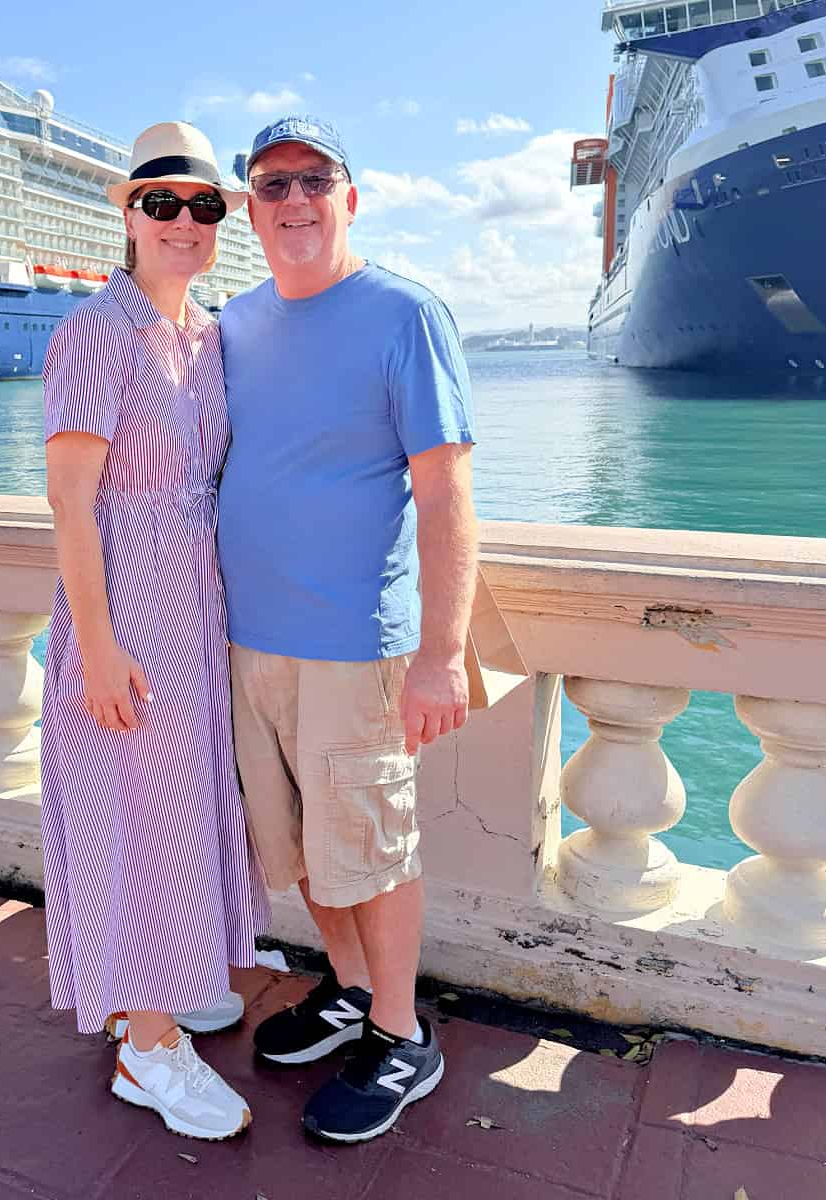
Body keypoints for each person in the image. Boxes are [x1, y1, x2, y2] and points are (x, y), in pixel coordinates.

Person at [217, 115, 478, 1144]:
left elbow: (446, 494)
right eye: (272, 185)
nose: (294, 200)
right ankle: (351, 987)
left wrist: (441, 655)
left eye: (313, 180)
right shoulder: (236, 324)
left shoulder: (406, 314)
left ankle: (402, 1035)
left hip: (356, 644)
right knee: (299, 848)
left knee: (372, 843)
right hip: (249, 640)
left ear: (350, 199)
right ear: (250, 211)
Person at [39, 120, 267, 1142]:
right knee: (132, 812)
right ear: (128, 214)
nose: (184, 220)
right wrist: (96, 647)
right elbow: (70, 501)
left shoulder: (208, 338)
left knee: (181, 803)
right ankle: (148, 1047)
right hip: (127, 607)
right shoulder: (98, 332)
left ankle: (167, 983)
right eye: (161, 202)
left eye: (204, 204)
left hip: (195, 607)